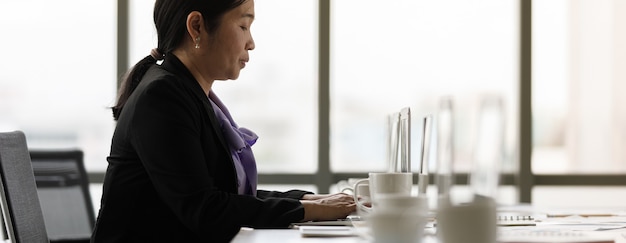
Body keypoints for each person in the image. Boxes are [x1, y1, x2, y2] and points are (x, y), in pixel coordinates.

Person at [90, 0, 356, 242]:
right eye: (243, 25)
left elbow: (225, 195)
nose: (251, 42)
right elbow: (205, 209)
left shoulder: (188, 94)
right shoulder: (162, 97)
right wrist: (307, 209)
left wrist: (308, 200)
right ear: (197, 27)